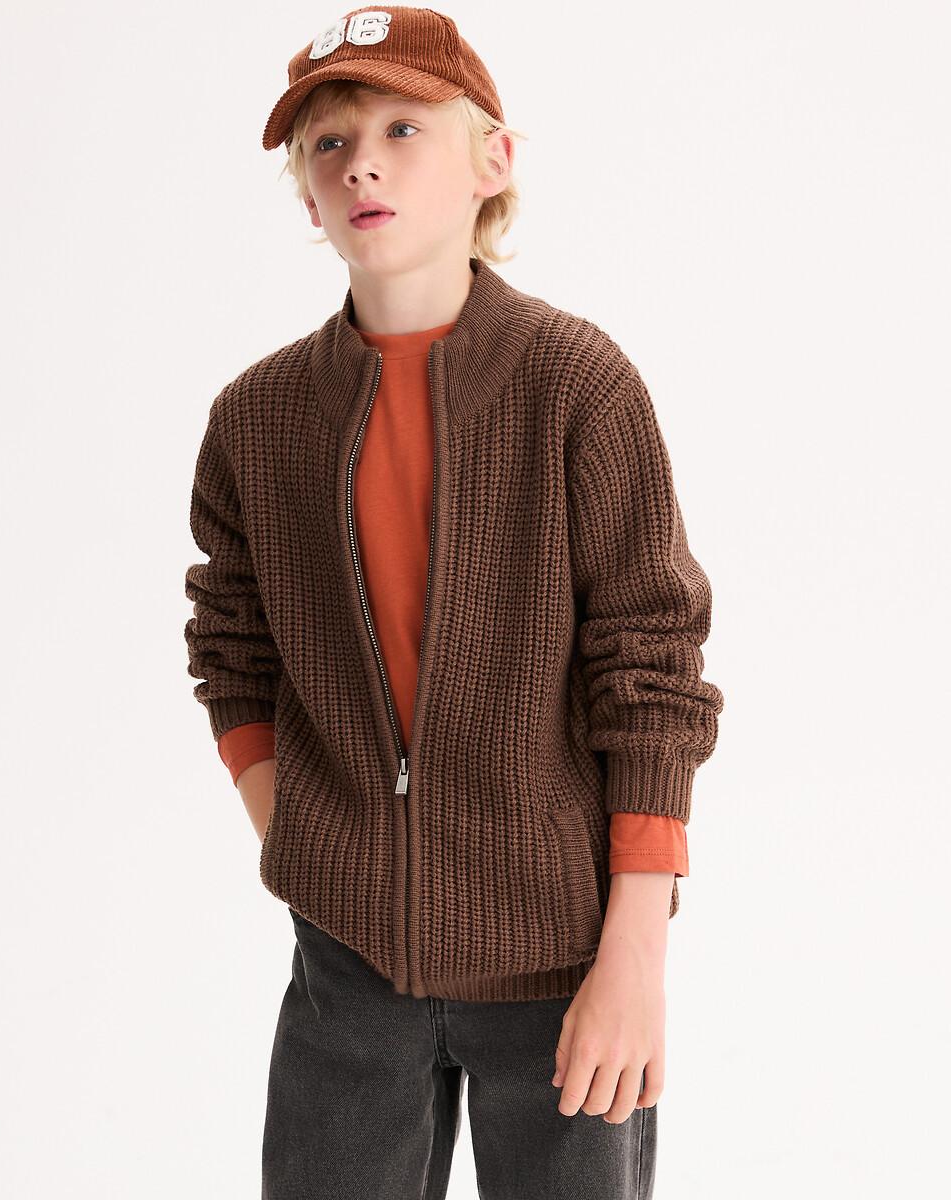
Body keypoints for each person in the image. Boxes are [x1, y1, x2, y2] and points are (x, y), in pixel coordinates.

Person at [183, 7, 723, 1197]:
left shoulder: (577, 386)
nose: (360, 164)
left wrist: (635, 952)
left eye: (402, 129)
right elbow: (232, 645)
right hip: (347, 966)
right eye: (329, 144)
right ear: (307, 194)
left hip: (562, 959)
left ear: (493, 160)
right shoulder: (258, 419)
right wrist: (299, 837)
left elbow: (651, 668)